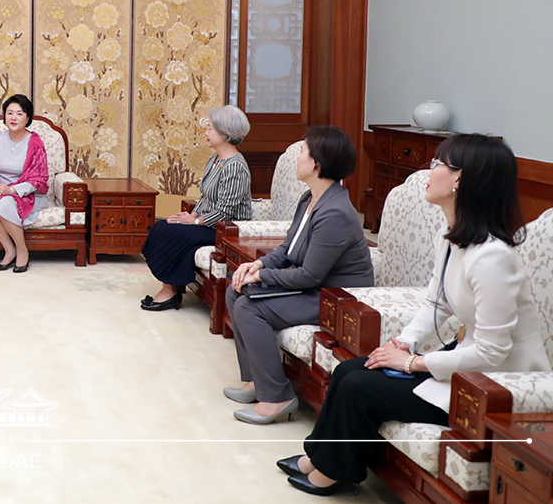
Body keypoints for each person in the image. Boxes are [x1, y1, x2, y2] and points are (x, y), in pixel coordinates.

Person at [279, 134, 548, 495]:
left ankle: (336, 471)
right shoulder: (451, 237)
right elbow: (435, 304)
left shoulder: (493, 258)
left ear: (459, 179)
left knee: (360, 387)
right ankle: (320, 456)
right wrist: (404, 342)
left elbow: (491, 353)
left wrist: (412, 363)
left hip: (492, 387)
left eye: (438, 164)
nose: (429, 171)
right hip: (462, 365)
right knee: (348, 370)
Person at [224, 125, 374, 425]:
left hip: (336, 298)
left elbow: (309, 276)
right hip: (313, 286)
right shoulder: (310, 199)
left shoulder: (335, 212)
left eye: (303, 151)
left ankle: (277, 396)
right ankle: (257, 380)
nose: (297, 156)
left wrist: (262, 279)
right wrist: (260, 267)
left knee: (250, 308)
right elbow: (288, 248)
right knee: (235, 289)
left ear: (317, 163)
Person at [140, 105, 253, 311]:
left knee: (168, 232)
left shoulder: (235, 166)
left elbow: (226, 210)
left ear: (225, 133)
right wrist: (191, 215)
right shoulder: (216, 158)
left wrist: (195, 222)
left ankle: (169, 292)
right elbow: (205, 196)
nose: (206, 133)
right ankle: (171, 287)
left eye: (210, 128)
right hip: (208, 225)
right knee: (163, 225)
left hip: (227, 230)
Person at [0, 94, 48, 274]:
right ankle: (9, 250)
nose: (14, 118)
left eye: (19, 113)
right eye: (10, 113)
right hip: (1, 190)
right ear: (4, 116)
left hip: (27, 193)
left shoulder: (34, 143)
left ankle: (22, 250)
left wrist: (11, 189)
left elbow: (39, 178)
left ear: (28, 117)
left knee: (6, 201)